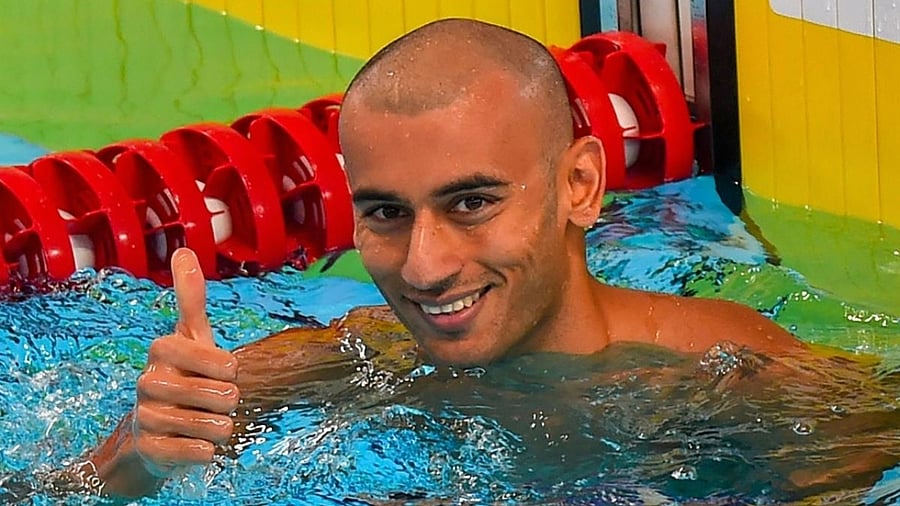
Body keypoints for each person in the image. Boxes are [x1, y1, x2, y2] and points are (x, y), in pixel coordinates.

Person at [63, 18, 890, 499]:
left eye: (471, 203)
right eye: (387, 213)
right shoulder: (347, 361)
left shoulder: (742, 379)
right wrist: (141, 446)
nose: (423, 268)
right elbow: (56, 493)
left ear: (580, 184)